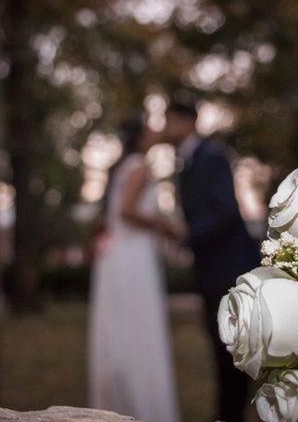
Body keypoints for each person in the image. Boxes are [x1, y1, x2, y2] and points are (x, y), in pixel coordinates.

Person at [163, 99, 259, 422]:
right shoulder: (190, 160)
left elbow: (226, 213)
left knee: (232, 350)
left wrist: (187, 232)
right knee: (221, 351)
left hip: (228, 269)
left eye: (169, 120)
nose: (165, 128)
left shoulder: (211, 157)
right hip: (211, 268)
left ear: (188, 121)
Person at [88, 116, 181, 422]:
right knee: (138, 328)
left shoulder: (123, 167)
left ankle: (122, 400)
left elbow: (113, 215)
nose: (158, 131)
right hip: (133, 256)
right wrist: (163, 226)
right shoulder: (139, 166)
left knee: (121, 329)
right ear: (141, 136)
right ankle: (141, 404)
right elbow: (127, 211)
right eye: (151, 127)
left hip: (118, 256)